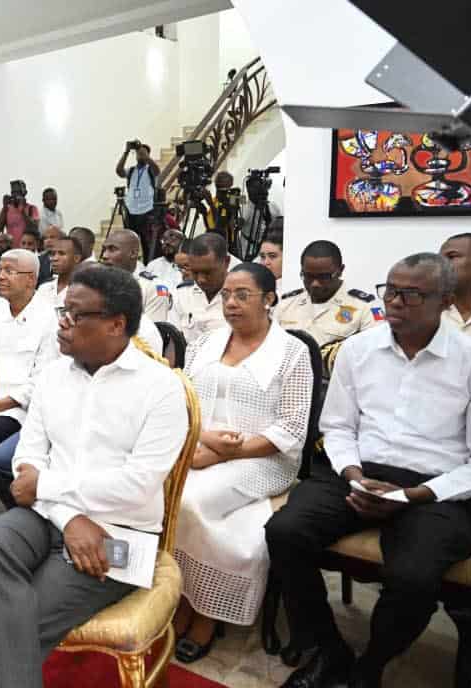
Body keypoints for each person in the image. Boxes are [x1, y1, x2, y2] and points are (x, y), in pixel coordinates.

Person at [266, 253, 471, 688]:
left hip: (434, 489)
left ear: (446, 301)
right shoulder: (358, 350)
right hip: (357, 472)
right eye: (390, 290)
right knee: (285, 532)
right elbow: (336, 426)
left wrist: (413, 497)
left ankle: (369, 665)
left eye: (411, 294)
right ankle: (329, 650)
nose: (395, 301)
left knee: (413, 576)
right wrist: (354, 476)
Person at [0, 265, 189, 688]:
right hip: (50, 517)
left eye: (75, 315)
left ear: (116, 324)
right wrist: (69, 518)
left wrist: (46, 488)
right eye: (62, 311)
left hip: (119, 532)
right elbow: (26, 460)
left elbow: (137, 485)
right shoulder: (52, 377)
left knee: (15, 622)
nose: (61, 324)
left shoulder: (161, 388)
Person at [172, 263, 313, 663]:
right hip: (199, 449)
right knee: (164, 494)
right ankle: (183, 596)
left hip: (264, 457)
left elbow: (290, 430)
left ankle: (203, 612)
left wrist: (221, 453)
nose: (231, 303)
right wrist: (199, 442)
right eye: (228, 295)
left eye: (243, 295)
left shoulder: (292, 352)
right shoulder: (206, 343)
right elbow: (183, 403)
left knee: (189, 502)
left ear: (269, 300)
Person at [0, 248, 59, 508]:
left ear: (31, 279)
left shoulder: (48, 319)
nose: (1, 277)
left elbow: (42, 380)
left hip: (17, 412)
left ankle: (21, 512)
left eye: (9, 271)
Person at [274, 240, 384, 347]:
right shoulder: (285, 305)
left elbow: (373, 351)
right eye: (308, 276)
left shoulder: (365, 307)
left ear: (340, 270)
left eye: (324, 277)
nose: (315, 284)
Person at [100, 229, 172, 322]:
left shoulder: (153, 288)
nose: (105, 255)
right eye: (104, 249)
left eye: (112, 249)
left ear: (133, 253)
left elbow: (153, 332)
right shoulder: (98, 283)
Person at [171, 233, 231, 342]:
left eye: (207, 272)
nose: (201, 279)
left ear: (226, 262)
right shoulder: (181, 295)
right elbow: (174, 342)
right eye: (195, 272)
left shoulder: (244, 297)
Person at [115, 140, 161, 263]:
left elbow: (157, 170)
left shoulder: (150, 170)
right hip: (131, 210)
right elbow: (119, 171)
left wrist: (146, 157)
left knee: (147, 243)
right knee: (130, 241)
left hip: (146, 211)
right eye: (138, 153)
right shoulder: (131, 171)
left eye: (143, 153)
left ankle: (148, 265)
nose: (140, 155)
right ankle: (130, 263)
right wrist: (126, 152)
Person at [37, 235, 83, 307]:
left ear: (76, 258)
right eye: (52, 254)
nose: (54, 258)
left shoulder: (83, 291)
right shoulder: (44, 288)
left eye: (61, 253)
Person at [0, 181, 39, 248]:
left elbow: (34, 228)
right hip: (10, 249)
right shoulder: (7, 209)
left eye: (18, 192)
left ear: (24, 193)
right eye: (13, 192)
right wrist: (4, 207)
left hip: (26, 248)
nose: (15, 195)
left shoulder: (32, 208)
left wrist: (22, 210)